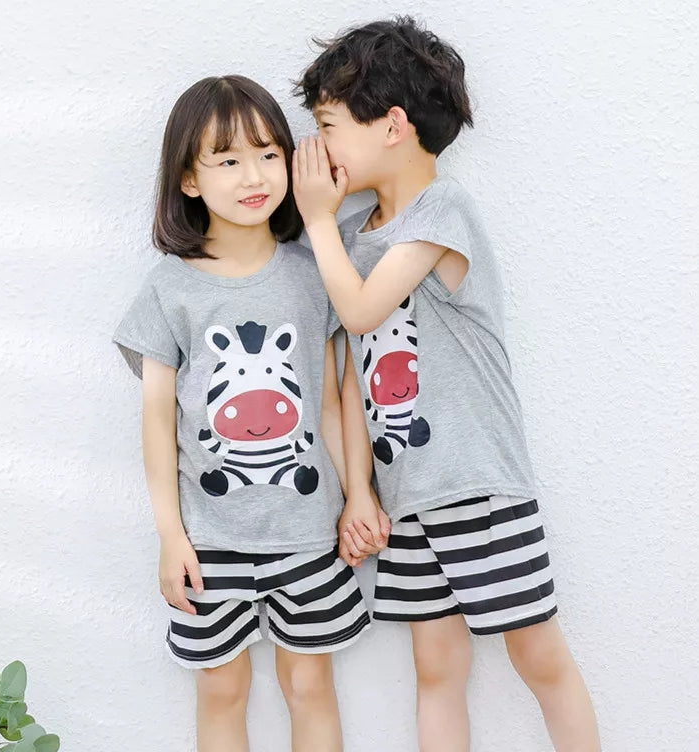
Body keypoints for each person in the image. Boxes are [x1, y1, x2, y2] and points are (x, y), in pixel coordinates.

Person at [292, 17, 601, 752]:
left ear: (392, 126)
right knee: (435, 667)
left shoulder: (441, 211)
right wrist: (360, 492)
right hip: (407, 496)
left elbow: (361, 311)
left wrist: (316, 220)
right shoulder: (355, 232)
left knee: (538, 656)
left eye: (328, 126)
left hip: (475, 483)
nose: (318, 148)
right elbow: (350, 379)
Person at [113, 74, 381, 752]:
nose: (253, 176)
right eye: (227, 160)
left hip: (308, 533)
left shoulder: (314, 272)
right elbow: (157, 425)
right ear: (189, 179)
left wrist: (358, 495)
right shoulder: (170, 289)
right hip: (210, 540)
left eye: (267, 154)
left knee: (310, 685)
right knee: (222, 691)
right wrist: (171, 536)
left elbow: (333, 399)